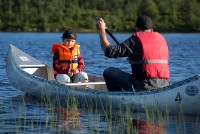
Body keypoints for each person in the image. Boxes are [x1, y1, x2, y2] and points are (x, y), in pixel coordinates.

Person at [96, 15, 170, 91]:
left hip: (143, 86)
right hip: (165, 85)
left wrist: (102, 31)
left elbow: (109, 51)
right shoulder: (161, 39)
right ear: (152, 29)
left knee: (108, 72)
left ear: (137, 29)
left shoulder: (135, 40)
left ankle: (118, 99)